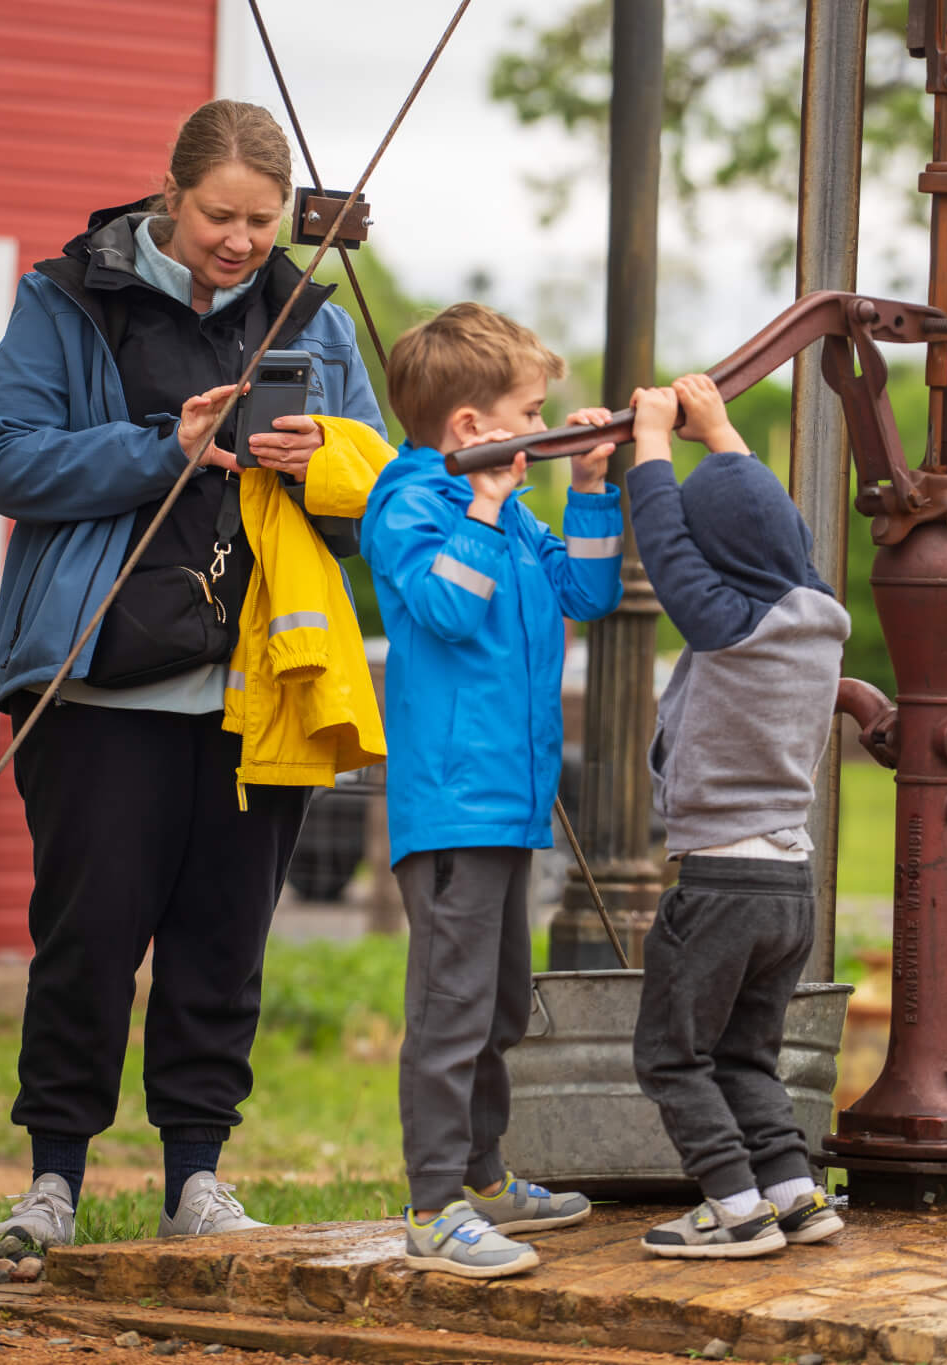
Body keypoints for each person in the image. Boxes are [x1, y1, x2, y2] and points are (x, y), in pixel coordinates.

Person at [0, 99, 386, 1247]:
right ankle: (53, 1181)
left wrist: (328, 462)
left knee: (221, 942)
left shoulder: (316, 319)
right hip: (98, 686)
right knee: (89, 937)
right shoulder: (68, 297)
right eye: (218, 216)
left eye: (260, 220)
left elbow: (380, 499)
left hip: (262, 687)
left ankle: (196, 1180)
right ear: (169, 191)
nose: (242, 241)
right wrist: (165, 447)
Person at [362, 303, 623, 1278]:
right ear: (471, 431)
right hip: (451, 805)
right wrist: (478, 506)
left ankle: (481, 1175)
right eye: (532, 413)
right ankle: (432, 1205)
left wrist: (591, 489)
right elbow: (440, 609)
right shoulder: (411, 506)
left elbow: (587, 594)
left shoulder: (511, 517)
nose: (544, 430)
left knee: (500, 1006)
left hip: (512, 806)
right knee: (451, 1010)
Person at [623, 374, 851, 1259]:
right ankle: (794, 1194)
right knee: (746, 1054)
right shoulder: (823, 618)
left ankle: (731, 1204)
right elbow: (785, 535)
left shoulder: (724, 622)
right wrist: (720, 433)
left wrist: (651, 439)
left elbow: (667, 547)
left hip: (719, 881)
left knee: (673, 1055)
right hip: (790, 885)